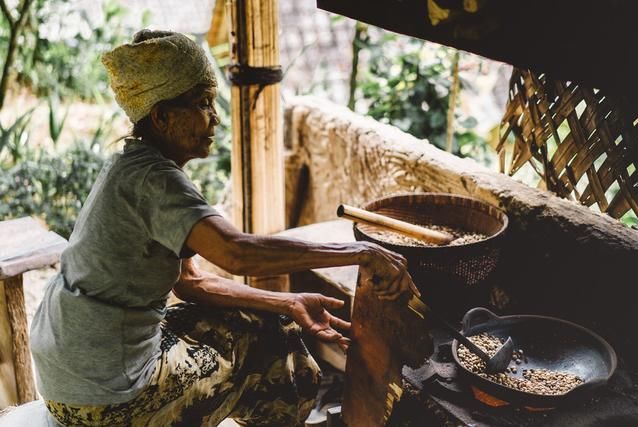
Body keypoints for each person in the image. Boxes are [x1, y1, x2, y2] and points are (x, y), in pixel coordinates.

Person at [30, 30, 419, 427]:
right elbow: (235, 251)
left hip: (68, 373)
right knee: (276, 346)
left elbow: (191, 283)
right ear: (162, 117)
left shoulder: (129, 166)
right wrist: (361, 252)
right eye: (202, 104)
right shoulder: (156, 180)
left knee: (267, 320)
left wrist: (288, 302)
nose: (214, 117)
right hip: (105, 399)